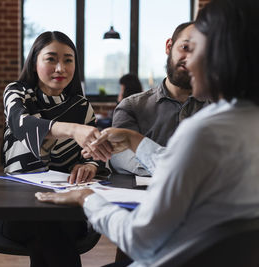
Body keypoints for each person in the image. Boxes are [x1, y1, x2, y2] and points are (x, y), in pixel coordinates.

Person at [36, 0, 259, 266]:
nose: (188, 61)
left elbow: (140, 240)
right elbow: (186, 165)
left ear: (222, 54)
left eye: (196, 47)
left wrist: (87, 198)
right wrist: (135, 140)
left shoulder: (204, 132)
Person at [0, 31, 111, 267]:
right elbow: (21, 124)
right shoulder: (17, 92)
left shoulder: (82, 107)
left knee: (48, 231)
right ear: (34, 63)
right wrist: (72, 130)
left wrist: (89, 165)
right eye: (51, 59)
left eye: (68, 60)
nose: (60, 68)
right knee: (46, 228)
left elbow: (99, 156)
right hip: (16, 206)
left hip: (65, 207)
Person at [110, 22, 208, 176]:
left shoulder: (219, 107)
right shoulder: (132, 106)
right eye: (185, 47)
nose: (190, 59)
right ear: (169, 46)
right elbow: (121, 156)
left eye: (200, 54)